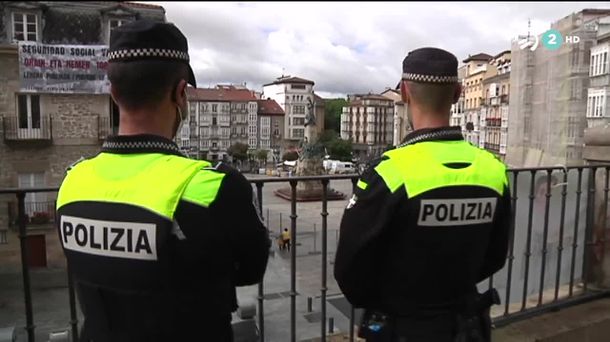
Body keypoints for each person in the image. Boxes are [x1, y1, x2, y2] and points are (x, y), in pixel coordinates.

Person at [55, 20, 270, 342]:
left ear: (113, 92)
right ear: (180, 93)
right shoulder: (215, 187)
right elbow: (250, 270)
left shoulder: (72, 181)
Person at [334, 47, 512, 342]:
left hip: (403, 326)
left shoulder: (389, 173)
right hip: (466, 325)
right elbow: (495, 256)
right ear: (457, 93)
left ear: (404, 92)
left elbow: (350, 270)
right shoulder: (493, 169)